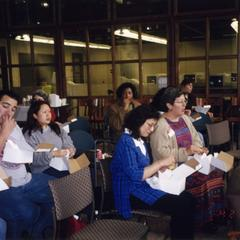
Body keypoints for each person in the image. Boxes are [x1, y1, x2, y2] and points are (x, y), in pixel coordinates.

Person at [111, 104, 196, 239]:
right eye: (149, 125)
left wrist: (159, 169)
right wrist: (159, 163)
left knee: (189, 198)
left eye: (153, 126)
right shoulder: (125, 141)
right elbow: (136, 175)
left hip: (142, 185)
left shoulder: (139, 140)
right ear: (138, 121)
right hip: (129, 192)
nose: (151, 130)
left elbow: (144, 169)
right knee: (181, 205)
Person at [150, 87, 225, 231]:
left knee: (218, 169)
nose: (185, 104)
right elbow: (162, 154)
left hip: (192, 163)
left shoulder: (184, 118)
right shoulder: (160, 125)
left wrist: (199, 149)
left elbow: (196, 137)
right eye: (180, 102)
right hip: (174, 169)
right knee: (204, 178)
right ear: (169, 105)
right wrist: (187, 151)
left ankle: (216, 215)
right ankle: (202, 221)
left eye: (185, 101)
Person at [0, 90, 54, 239]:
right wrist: (4, 133)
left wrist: (30, 152)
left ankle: (37, 232)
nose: (8, 112)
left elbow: (24, 147)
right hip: (5, 186)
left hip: (25, 178)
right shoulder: (7, 127)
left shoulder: (13, 124)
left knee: (60, 188)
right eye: (5, 106)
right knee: (28, 213)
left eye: (13, 109)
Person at [23, 100, 75, 178]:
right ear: (35, 115)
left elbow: (67, 141)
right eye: (44, 112)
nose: (48, 115)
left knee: (84, 171)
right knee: (71, 176)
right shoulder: (30, 134)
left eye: (49, 111)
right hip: (43, 169)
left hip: (62, 164)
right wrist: (53, 154)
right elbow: (32, 158)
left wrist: (70, 150)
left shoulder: (56, 128)